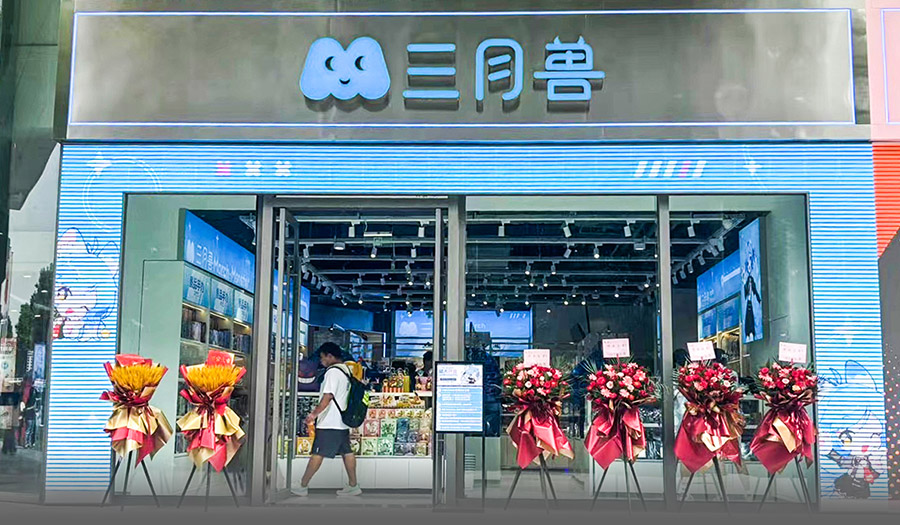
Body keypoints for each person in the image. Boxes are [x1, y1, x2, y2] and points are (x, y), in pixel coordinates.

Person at [294, 342, 361, 497]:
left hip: (330, 421)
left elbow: (328, 396)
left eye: (322, 357)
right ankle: (353, 485)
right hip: (342, 421)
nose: (321, 361)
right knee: (347, 451)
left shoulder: (333, 372)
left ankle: (302, 485)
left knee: (318, 453)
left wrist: (313, 414)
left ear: (330, 356)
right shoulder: (345, 370)